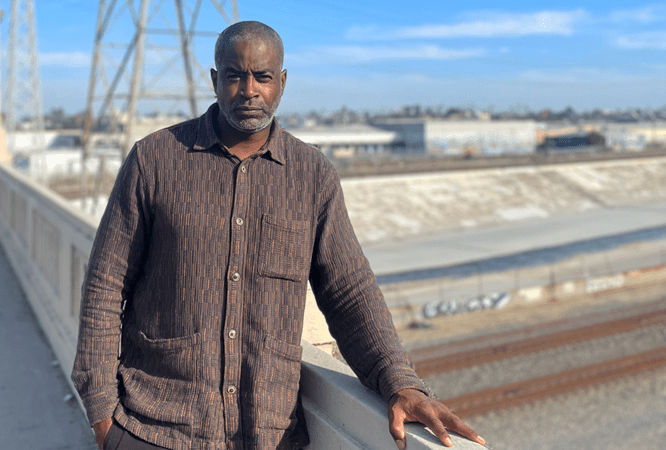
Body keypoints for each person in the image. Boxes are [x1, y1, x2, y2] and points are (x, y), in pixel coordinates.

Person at [72, 20, 485, 450]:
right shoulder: (154, 160)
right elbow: (105, 285)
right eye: (234, 75)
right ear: (215, 80)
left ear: (282, 83)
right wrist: (103, 415)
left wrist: (401, 383)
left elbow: (349, 292)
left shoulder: (312, 176)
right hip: (155, 426)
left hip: (267, 435)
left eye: (263, 77)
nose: (249, 90)